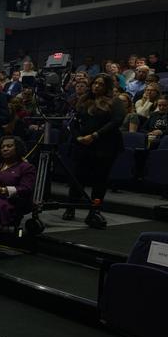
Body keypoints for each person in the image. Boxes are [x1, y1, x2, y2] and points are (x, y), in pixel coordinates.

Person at [64, 74, 125, 229]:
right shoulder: (83, 101)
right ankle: (70, 207)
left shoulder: (115, 102)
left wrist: (95, 135)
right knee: (77, 177)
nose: (97, 86)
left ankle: (94, 211)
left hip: (104, 145)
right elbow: (74, 123)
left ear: (107, 87)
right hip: (83, 144)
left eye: (101, 84)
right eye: (95, 83)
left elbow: (116, 121)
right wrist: (78, 137)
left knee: (100, 180)